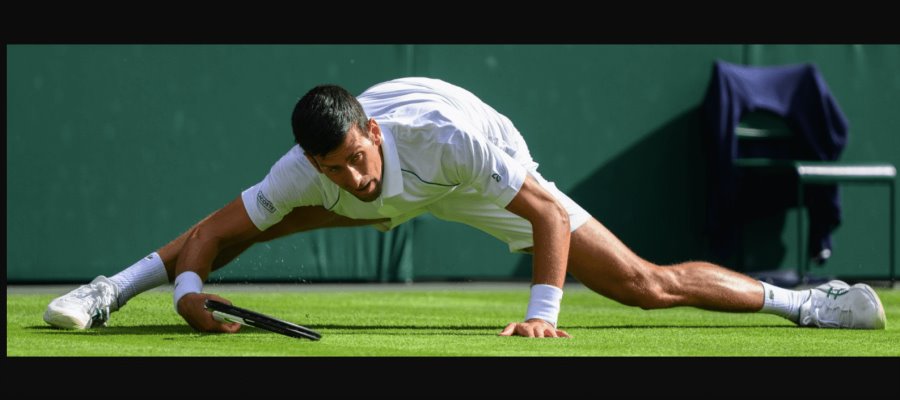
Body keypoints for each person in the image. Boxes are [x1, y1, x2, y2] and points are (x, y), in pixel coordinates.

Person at [43, 77, 887, 338]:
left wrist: (543, 315)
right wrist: (189, 294)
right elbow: (215, 230)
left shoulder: (449, 138)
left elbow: (546, 217)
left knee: (642, 282)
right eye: (333, 169)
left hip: (479, 184)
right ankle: (108, 291)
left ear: (373, 131)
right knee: (251, 226)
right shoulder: (310, 171)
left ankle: (809, 303)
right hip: (412, 190)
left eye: (356, 159)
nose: (352, 176)